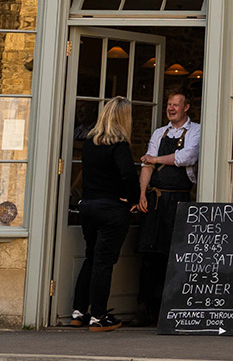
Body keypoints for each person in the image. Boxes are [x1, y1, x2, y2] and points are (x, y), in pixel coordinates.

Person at [71, 97, 135, 332]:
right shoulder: (119, 145)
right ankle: (98, 316)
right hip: (110, 208)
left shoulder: (89, 143)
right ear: (123, 118)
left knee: (91, 257)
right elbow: (128, 175)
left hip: (87, 206)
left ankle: (78, 312)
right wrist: (133, 199)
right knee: (103, 262)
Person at [136, 90, 200, 321]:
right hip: (154, 201)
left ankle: (170, 307)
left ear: (186, 108)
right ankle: (147, 308)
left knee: (173, 253)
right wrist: (142, 193)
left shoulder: (196, 130)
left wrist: (154, 159)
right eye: (169, 105)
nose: (171, 108)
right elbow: (146, 164)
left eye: (176, 105)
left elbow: (187, 157)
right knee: (149, 253)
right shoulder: (159, 132)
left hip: (178, 200)